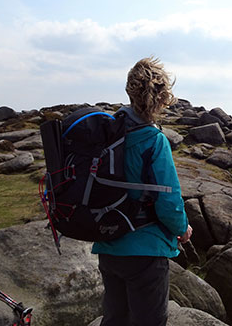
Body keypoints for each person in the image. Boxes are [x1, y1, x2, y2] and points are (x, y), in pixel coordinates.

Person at [92, 57, 192, 326]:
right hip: (145, 251)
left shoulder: (108, 132)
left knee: (115, 319)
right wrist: (182, 230)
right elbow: (168, 201)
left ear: (130, 91)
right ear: (161, 97)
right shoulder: (153, 140)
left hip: (108, 244)